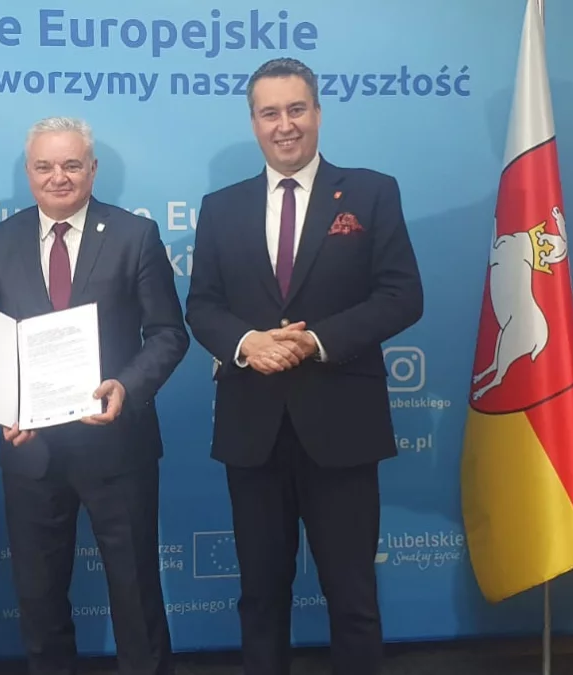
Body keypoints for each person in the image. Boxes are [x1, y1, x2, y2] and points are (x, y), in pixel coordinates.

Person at [185, 58, 423, 675]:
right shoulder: (220, 207)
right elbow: (202, 305)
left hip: (342, 425)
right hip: (253, 429)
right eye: (270, 113)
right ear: (254, 123)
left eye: (296, 109)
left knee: (353, 597)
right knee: (261, 597)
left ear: (317, 112)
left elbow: (402, 295)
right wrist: (247, 343)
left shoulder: (371, 192)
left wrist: (315, 341)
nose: (284, 125)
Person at [0, 117, 188, 675]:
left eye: (71, 165)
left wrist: (127, 386)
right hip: (31, 450)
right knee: (39, 599)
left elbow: (168, 333)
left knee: (136, 594)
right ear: (28, 172)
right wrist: (5, 407)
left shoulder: (134, 236)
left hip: (118, 447)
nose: (58, 177)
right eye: (44, 166)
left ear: (92, 169)